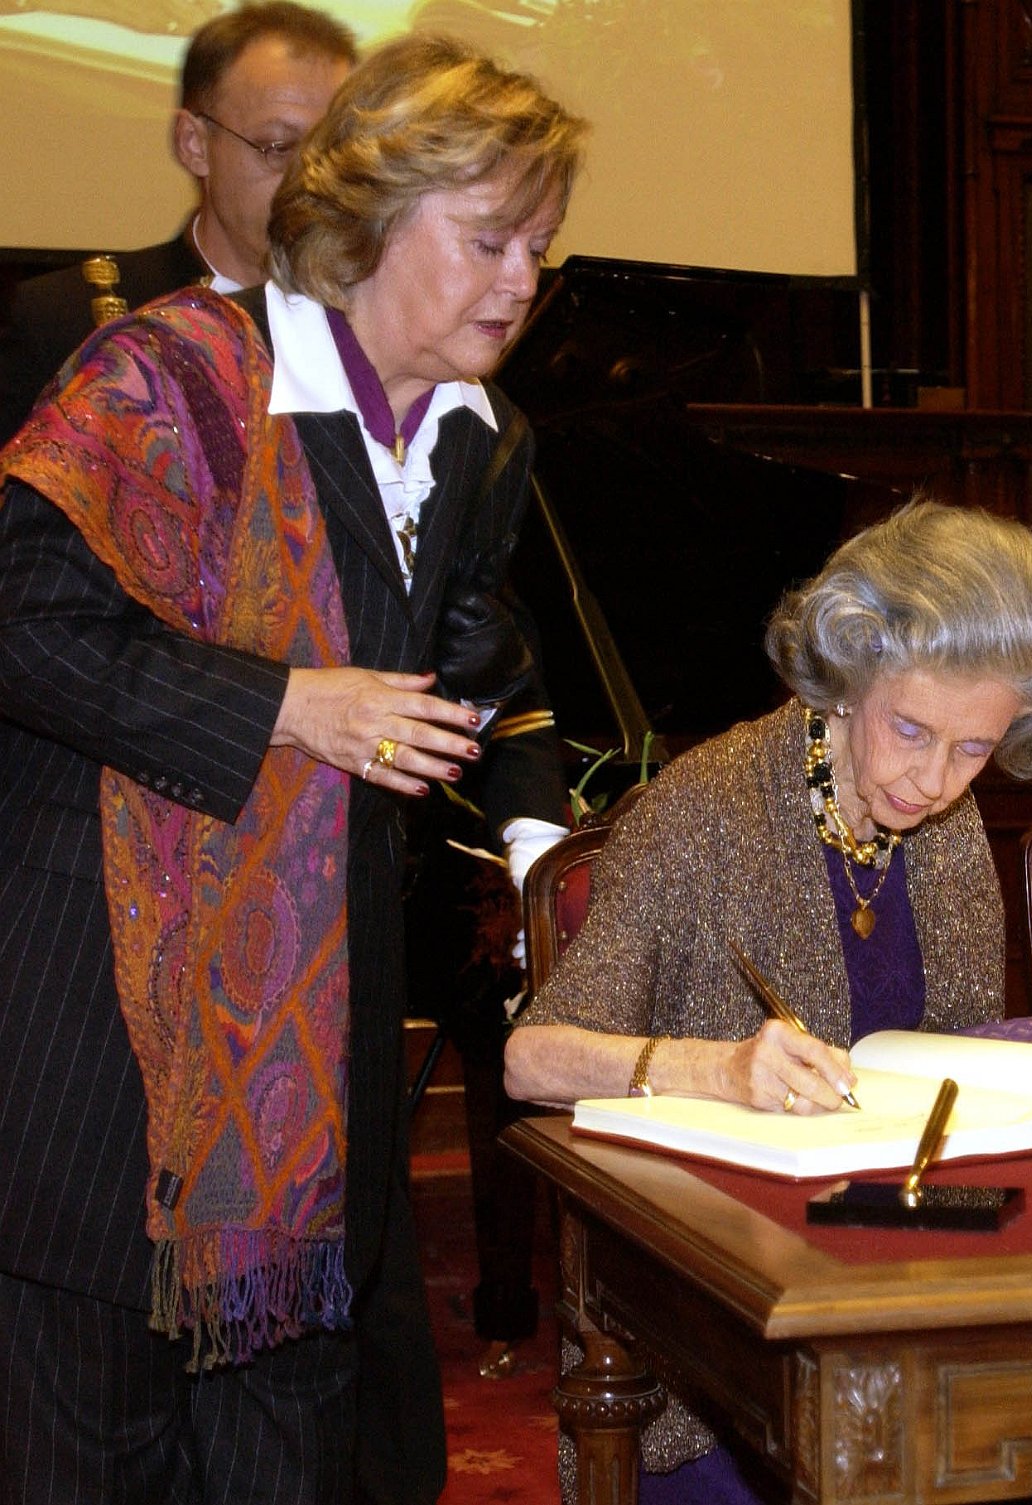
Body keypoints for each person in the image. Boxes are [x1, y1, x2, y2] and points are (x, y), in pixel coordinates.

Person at [0, 33, 585, 1504]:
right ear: (372, 213)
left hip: (313, 1051)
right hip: (101, 1015)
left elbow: (476, 667)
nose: (522, 280)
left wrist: (544, 852)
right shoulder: (176, 370)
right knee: (92, 1450)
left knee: (292, 1450)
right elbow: (16, 613)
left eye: (543, 247)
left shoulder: (478, 439)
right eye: (490, 238)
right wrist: (279, 706)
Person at [505, 499, 1032, 1504]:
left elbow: (947, 1058)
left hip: (908, 1279)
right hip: (720, 1328)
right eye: (909, 729)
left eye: (971, 749)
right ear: (849, 671)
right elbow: (533, 1057)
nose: (931, 780)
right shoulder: (702, 809)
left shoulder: (946, 828)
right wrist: (720, 1067)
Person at [0, 2, 357, 440]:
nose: (313, 181)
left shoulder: (371, 326)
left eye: (336, 152)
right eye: (279, 148)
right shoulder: (69, 321)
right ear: (194, 144)